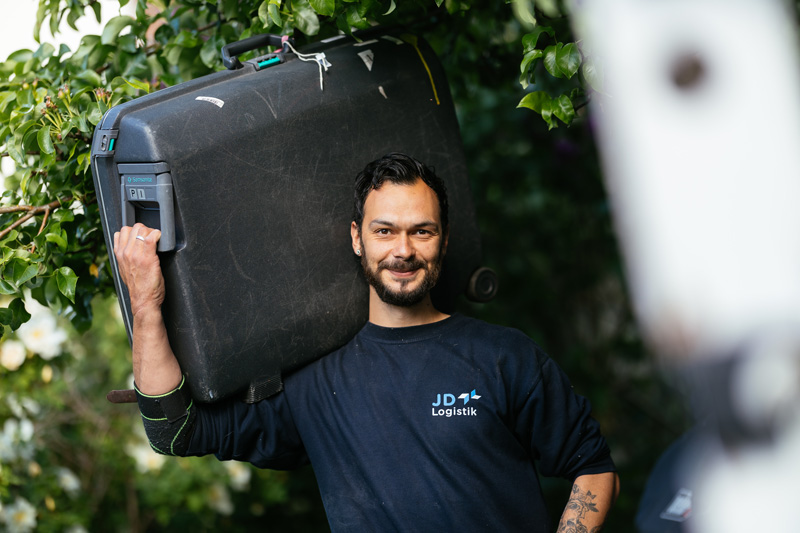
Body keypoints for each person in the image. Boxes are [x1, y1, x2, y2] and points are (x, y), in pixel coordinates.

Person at [114, 153, 619, 531]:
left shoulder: (503, 357)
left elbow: (592, 468)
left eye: (422, 232)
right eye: (385, 231)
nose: (403, 250)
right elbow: (174, 433)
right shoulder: (315, 384)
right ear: (357, 238)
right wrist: (145, 303)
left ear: (443, 239)